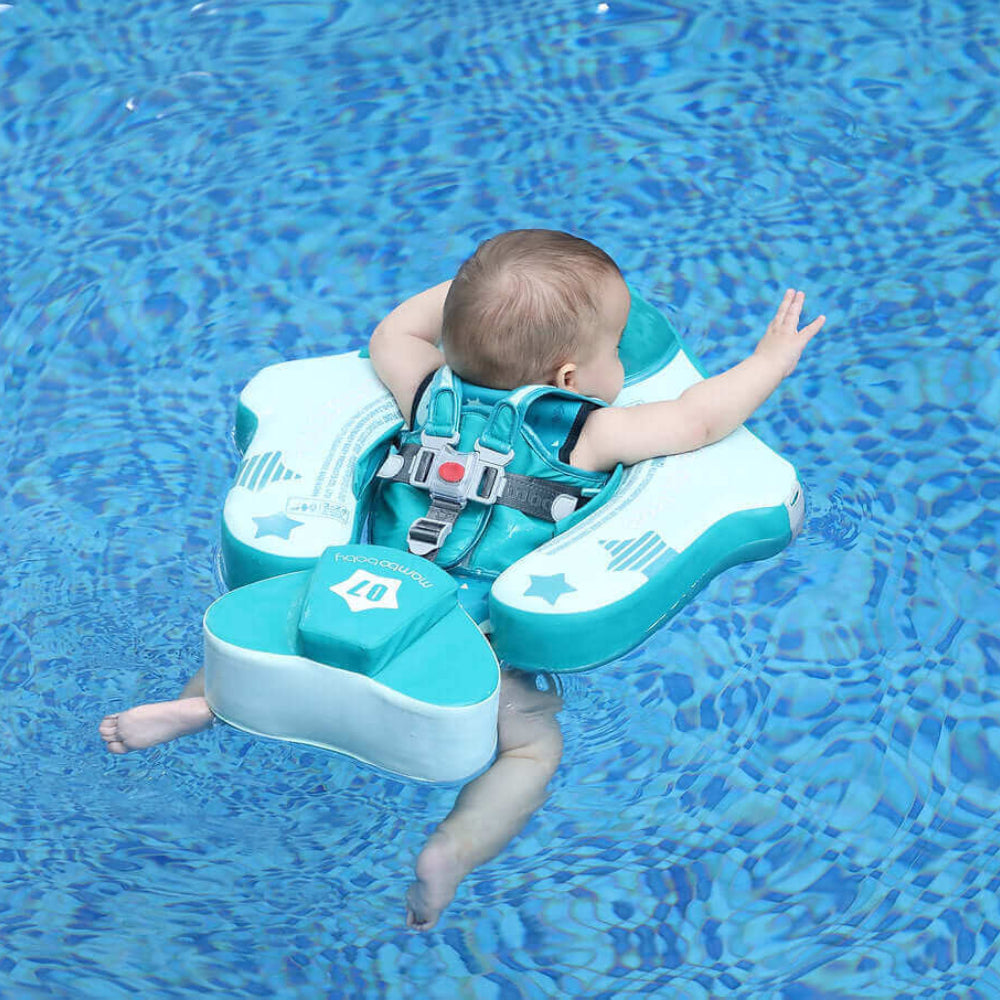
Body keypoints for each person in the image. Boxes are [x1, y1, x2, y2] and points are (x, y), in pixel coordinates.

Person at [100, 229, 825, 930]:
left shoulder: (426, 395)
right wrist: (771, 361)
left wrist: (473, 298)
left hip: (360, 589)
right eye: (612, 352)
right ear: (571, 378)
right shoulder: (586, 433)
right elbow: (699, 421)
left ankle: (198, 703)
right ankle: (454, 848)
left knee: (284, 633)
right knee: (533, 747)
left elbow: (393, 332)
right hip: (471, 640)